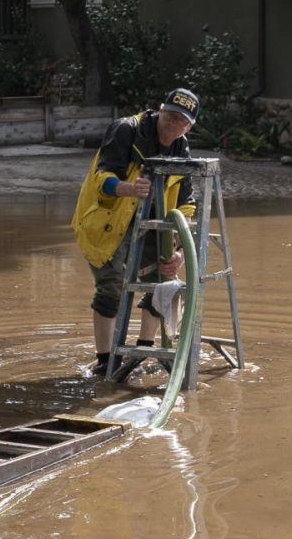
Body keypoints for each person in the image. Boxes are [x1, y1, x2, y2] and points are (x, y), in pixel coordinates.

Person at [72, 88, 198, 379]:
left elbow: (187, 205)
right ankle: (105, 361)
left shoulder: (181, 148)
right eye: (169, 115)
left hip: (152, 224)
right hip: (107, 220)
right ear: (160, 111)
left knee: (163, 282)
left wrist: (179, 250)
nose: (172, 124)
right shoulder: (127, 130)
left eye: (180, 120)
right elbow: (102, 177)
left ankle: (144, 349)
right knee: (111, 287)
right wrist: (128, 188)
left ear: (189, 126)